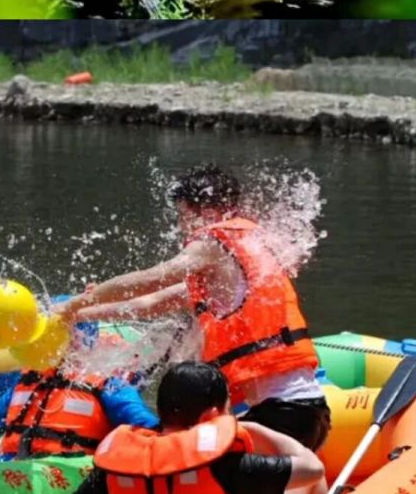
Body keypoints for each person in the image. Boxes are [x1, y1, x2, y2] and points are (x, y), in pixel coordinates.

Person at [56, 164, 331, 452]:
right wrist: (77, 314)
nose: (180, 224)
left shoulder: (212, 244)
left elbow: (151, 280)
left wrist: (75, 303)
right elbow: (148, 304)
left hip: (282, 418)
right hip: (307, 414)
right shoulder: (234, 264)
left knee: (176, 463)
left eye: (181, 215)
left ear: (197, 210)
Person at [36, 362, 327, 494]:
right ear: (214, 414)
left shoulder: (118, 468)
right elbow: (313, 469)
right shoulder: (228, 466)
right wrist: (255, 428)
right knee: (306, 481)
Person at [0, 322, 157, 459]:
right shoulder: (32, 377)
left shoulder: (108, 383)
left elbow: (150, 428)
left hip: (68, 472)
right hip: (12, 467)